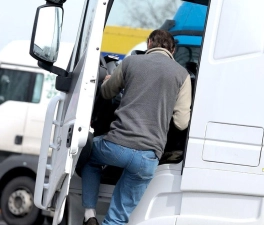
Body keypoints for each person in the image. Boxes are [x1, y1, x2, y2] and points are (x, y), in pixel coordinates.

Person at [81, 29, 192, 225]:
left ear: (149, 43)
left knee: (89, 156)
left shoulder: (130, 63)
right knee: (117, 218)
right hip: (148, 157)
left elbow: (107, 94)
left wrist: (109, 79)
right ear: (173, 50)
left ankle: (89, 214)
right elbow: (181, 123)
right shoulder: (182, 75)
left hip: (115, 147)